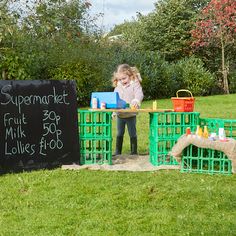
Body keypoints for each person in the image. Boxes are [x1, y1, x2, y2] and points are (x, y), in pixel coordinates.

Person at [112, 64, 144, 156]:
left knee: (132, 133)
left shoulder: (135, 83)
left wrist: (136, 100)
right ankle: (118, 152)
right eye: (120, 79)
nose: (122, 81)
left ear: (130, 75)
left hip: (131, 114)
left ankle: (134, 152)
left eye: (124, 78)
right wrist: (114, 112)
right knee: (119, 133)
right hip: (120, 114)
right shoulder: (118, 87)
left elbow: (139, 94)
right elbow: (115, 100)